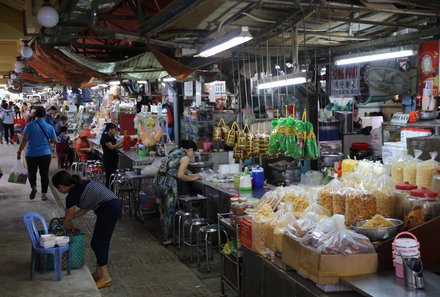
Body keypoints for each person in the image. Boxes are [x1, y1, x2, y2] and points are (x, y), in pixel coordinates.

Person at [52, 170, 121, 289]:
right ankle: (99, 272)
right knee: (101, 242)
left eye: (58, 189)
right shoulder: (81, 184)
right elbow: (86, 207)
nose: (60, 191)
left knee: (97, 243)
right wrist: (69, 218)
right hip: (113, 205)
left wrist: (58, 233)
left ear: (61, 186)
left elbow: (67, 221)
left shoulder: (72, 195)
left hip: (108, 208)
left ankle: (106, 277)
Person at [155, 140, 201, 245]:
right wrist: (193, 178)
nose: (192, 155)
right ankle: (167, 239)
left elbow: (173, 166)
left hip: (158, 182)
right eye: (193, 152)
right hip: (169, 185)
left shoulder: (174, 151)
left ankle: (164, 236)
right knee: (169, 212)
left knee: (162, 210)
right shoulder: (185, 157)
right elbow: (180, 175)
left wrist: (189, 173)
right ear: (190, 150)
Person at [17, 106, 57, 201]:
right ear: (44, 115)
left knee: (32, 172)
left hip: (31, 154)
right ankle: (43, 194)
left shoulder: (30, 125)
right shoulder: (49, 127)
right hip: (45, 154)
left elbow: (24, 139)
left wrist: (19, 151)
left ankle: (34, 187)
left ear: (35, 115)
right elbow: (54, 140)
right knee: (44, 174)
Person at [100, 123, 122, 188]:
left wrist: (125, 144)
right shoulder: (105, 137)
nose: (115, 131)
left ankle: (112, 190)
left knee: (113, 176)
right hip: (108, 160)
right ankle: (109, 191)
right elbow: (111, 147)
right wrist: (121, 142)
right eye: (114, 129)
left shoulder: (111, 136)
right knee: (109, 177)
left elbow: (116, 146)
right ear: (110, 129)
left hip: (113, 160)